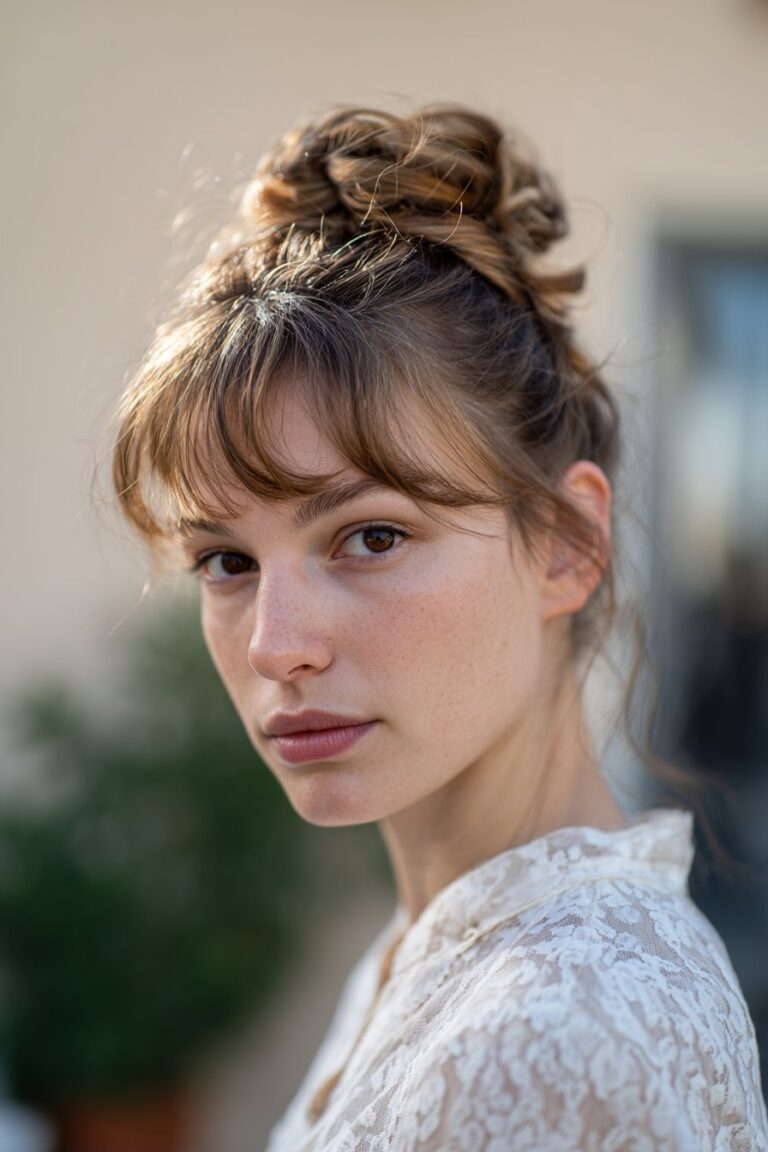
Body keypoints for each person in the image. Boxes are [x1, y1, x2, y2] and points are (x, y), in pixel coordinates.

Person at [109, 103, 768, 1150]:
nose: (277, 645)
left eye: (370, 538)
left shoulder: (561, 1033)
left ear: (563, 541)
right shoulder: (436, 945)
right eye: (226, 561)